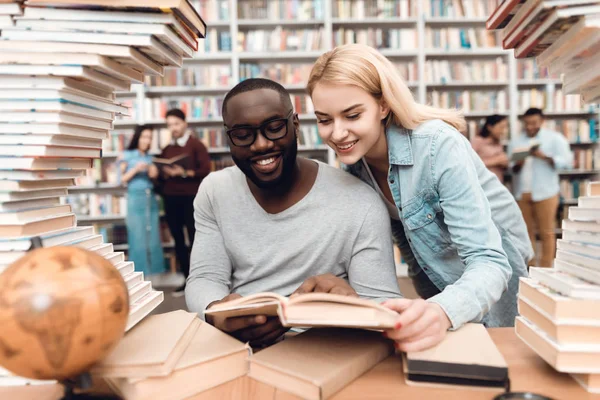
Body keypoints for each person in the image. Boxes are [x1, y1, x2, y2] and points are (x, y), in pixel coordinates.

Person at [307, 43, 533, 352]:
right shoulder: (354, 173)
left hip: (497, 267)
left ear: (383, 105)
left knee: (506, 354)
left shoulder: (438, 145)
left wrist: (441, 311)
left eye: (352, 115)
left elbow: (490, 261)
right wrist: (427, 311)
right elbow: (417, 256)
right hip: (445, 279)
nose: (337, 133)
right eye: (324, 120)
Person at [185, 78, 402, 347]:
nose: (261, 145)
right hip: (238, 350)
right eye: (243, 135)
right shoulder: (214, 191)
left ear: (295, 126)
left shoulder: (361, 201)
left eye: (274, 128)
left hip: (325, 352)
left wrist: (353, 305)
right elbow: (206, 277)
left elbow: (384, 307)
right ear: (228, 137)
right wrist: (214, 312)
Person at [156, 108, 211, 296]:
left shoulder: (196, 145)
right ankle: (186, 279)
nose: (174, 128)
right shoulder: (167, 149)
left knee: (196, 239)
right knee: (178, 240)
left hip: (191, 198)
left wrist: (184, 173)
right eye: (170, 125)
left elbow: (206, 170)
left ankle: (201, 280)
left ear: (185, 123)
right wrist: (162, 172)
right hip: (171, 198)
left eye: (176, 124)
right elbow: (161, 177)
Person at [510, 108, 573, 268]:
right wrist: (519, 162)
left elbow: (567, 163)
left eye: (534, 123)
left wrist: (544, 157)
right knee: (525, 234)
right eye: (527, 123)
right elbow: (511, 169)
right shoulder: (516, 141)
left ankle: (546, 269)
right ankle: (529, 270)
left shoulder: (554, 139)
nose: (530, 126)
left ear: (542, 121)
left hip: (546, 192)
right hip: (521, 192)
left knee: (547, 232)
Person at [119, 125, 165, 277]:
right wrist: (136, 170)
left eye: (150, 138)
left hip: (150, 197)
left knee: (153, 236)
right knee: (137, 235)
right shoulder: (127, 155)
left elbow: (155, 180)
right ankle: (139, 273)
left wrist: (154, 173)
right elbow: (121, 180)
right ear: (137, 137)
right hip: (135, 197)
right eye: (144, 137)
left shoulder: (150, 157)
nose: (147, 140)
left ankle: (154, 273)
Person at [471, 114, 509, 183]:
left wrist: (504, 164)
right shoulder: (477, 141)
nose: (503, 131)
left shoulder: (499, 143)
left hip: (498, 184)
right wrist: (496, 160)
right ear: (490, 127)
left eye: (505, 128)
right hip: (483, 185)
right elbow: (471, 164)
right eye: (501, 127)